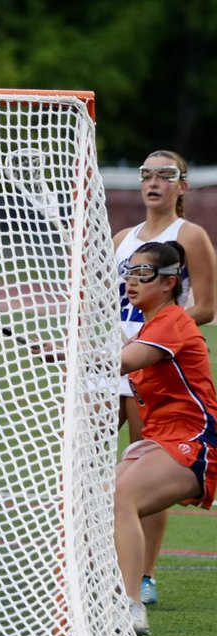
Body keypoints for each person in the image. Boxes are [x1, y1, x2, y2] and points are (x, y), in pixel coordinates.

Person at [111, 150, 217, 607]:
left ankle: (142, 579)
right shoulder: (121, 237)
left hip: (151, 362)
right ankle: (107, 574)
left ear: (182, 185)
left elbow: (208, 306)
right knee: (95, 473)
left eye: (165, 175)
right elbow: (102, 301)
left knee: (140, 479)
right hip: (116, 357)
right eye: (146, 174)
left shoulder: (189, 236)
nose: (154, 182)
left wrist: (156, 337)